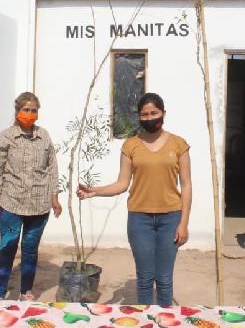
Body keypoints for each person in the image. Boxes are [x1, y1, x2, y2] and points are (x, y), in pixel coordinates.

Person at [77, 93, 192, 307]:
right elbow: (122, 183)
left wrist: (183, 223)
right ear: (139, 117)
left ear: (163, 114)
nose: (149, 118)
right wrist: (95, 190)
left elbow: (186, 185)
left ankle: (166, 323)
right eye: (144, 114)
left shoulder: (179, 145)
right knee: (145, 278)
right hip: (140, 220)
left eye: (154, 113)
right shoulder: (131, 145)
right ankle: (146, 323)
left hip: (171, 218)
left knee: (164, 279)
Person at [0, 92, 62, 301]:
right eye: (26, 110)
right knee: (8, 248)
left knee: (30, 250)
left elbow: (52, 169)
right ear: (18, 111)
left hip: (39, 206)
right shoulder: (6, 137)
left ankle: (26, 291)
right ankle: (0, 294)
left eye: (34, 110)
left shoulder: (44, 136)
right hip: (11, 203)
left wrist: (54, 198)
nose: (30, 114)